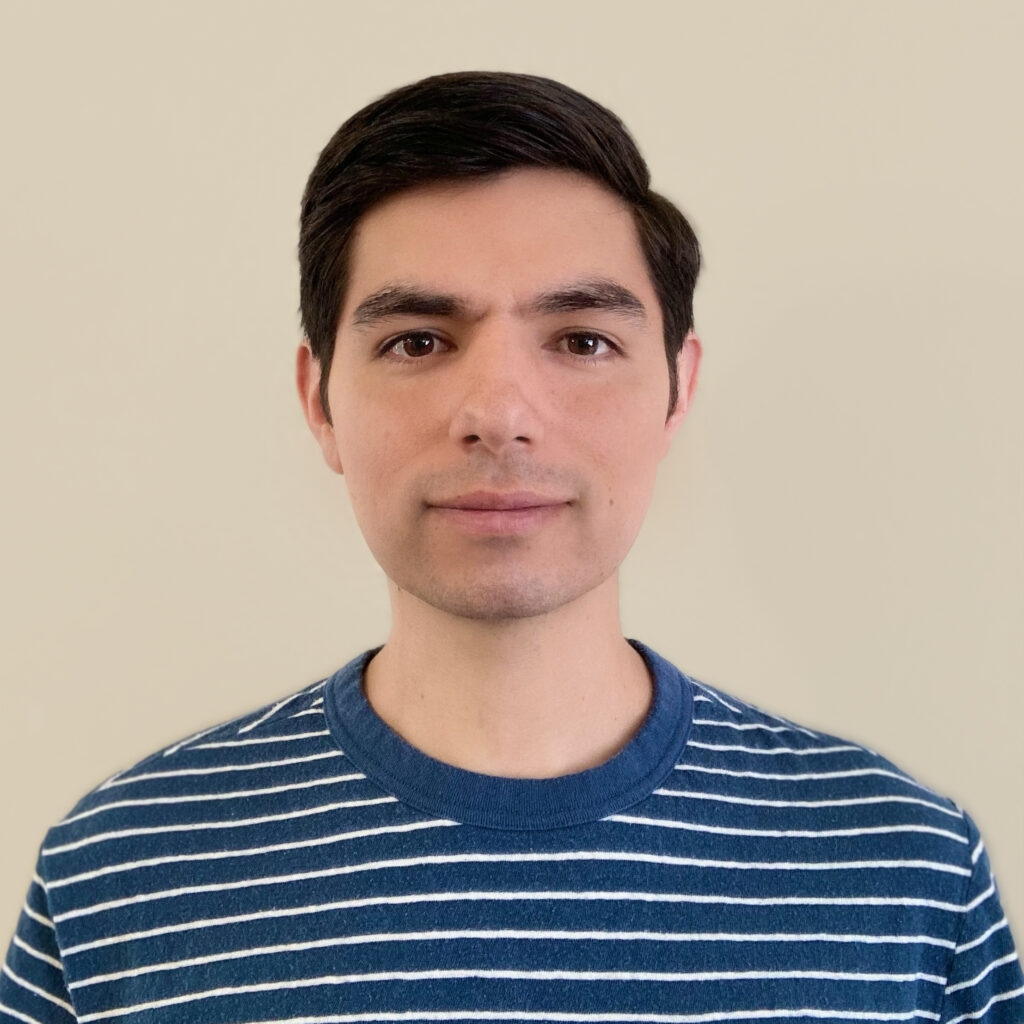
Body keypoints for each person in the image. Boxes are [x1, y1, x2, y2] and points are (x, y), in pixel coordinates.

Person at [1, 70, 1020, 1024]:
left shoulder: (906, 873)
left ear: (677, 391)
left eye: (582, 340)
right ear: (318, 401)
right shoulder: (116, 876)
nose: (498, 413)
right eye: (416, 341)